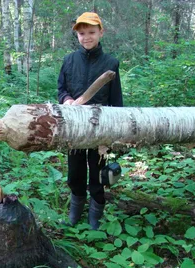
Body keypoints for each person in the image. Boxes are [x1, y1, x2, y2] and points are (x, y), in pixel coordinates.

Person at [57, 12, 123, 230]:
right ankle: (76, 206)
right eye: (82, 33)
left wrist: (114, 132)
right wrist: (66, 99)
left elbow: (116, 100)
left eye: (91, 32)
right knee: (75, 171)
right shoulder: (69, 60)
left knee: (98, 171)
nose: (87, 37)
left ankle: (96, 210)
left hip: (100, 126)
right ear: (77, 35)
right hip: (75, 126)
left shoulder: (111, 62)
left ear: (101, 33)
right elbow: (61, 89)